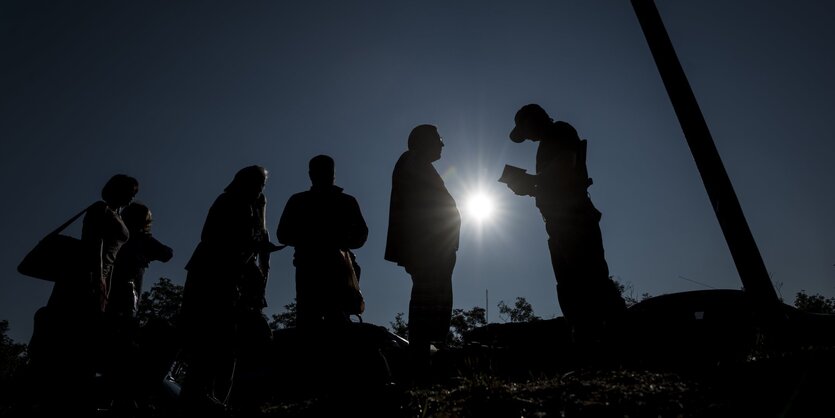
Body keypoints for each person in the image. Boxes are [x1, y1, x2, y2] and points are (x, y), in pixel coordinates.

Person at [504, 103, 625, 346]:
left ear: (534, 121)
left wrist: (530, 181)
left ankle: (620, 337)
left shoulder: (560, 131)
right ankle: (586, 341)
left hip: (574, 217)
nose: (527, 138)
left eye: (525, 131)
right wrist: (529, 187)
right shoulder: (545, 144)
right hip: (558, 223)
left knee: (591, 277)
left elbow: (563, 169)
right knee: (569, 284)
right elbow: (550, 181)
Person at [28, 174, 138, 415]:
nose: (133, 195)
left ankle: (70, 393)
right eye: (130, 190)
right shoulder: (101, 210)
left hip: (101, 279)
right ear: (117, 189)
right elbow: (94, 244)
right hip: (85, 280)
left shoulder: (117, 214)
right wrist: (97, 280)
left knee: (84, 337)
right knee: (74, 334)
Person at [178, 165, 275, 415]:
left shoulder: (252, 207)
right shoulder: (229, 202)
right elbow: (212, 238)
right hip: (213, 278)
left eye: (262, 185)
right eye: (258, 184)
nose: (260, 190)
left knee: (229, 344)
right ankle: (199, 398)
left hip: (234, 281)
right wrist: (249, 246)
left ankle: (218, 398)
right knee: (210, 341)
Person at [384, 124, 461, 381]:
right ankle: (422, 365)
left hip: (433, 248)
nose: (442, 144)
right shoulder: (413, 162)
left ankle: (428, 361)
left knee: (434, 302)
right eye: (439, 139)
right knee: (428, 303)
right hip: (428, 249)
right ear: (425, 140)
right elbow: (421, 209)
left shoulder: (417, 164)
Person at [277, 154, 368, 330]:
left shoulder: (344, 201)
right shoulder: (301, 201)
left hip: (329, 269)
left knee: (328, 321)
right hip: (311, 269)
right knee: (313, 322)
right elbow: (283, 234)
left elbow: (361, 235)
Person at [103, 201, 173, 411]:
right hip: (124, 302)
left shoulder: (112, 238)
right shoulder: (140, 240)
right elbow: (167, 253)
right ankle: (125, 396)